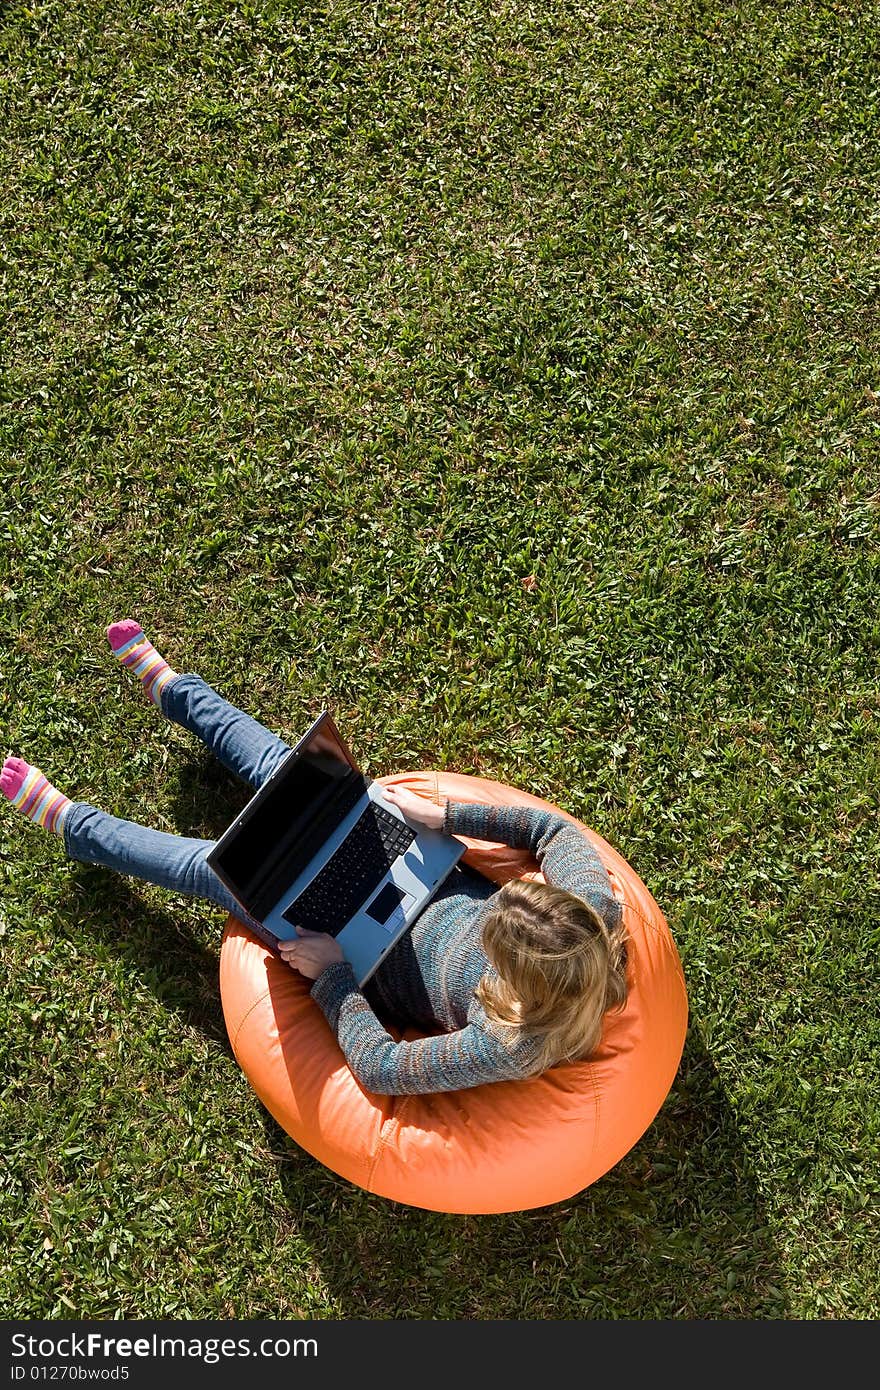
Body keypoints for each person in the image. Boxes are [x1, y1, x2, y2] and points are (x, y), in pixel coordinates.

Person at [2, 621, 629, 1096]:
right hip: (416, 872)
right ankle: (176, 691)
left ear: (516, 984)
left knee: (211, 869)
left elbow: (383, 1069)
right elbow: (553, 831)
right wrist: (446, 819)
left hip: (359, 952)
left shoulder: (508, 1043)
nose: (488, 918)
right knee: (291, 771)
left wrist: (332, 973)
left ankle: (73, 822)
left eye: (491, 937)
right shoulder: (591, 916)